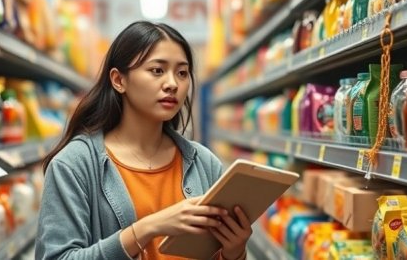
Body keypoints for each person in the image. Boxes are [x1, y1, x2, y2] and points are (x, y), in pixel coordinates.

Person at [35, 21, 253, 260]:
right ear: (119, 80)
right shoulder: (74, 165)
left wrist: (234, 253)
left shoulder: (205, 164)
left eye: (182, 73)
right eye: (157, 70)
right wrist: (146, 229)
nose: (172, 84)